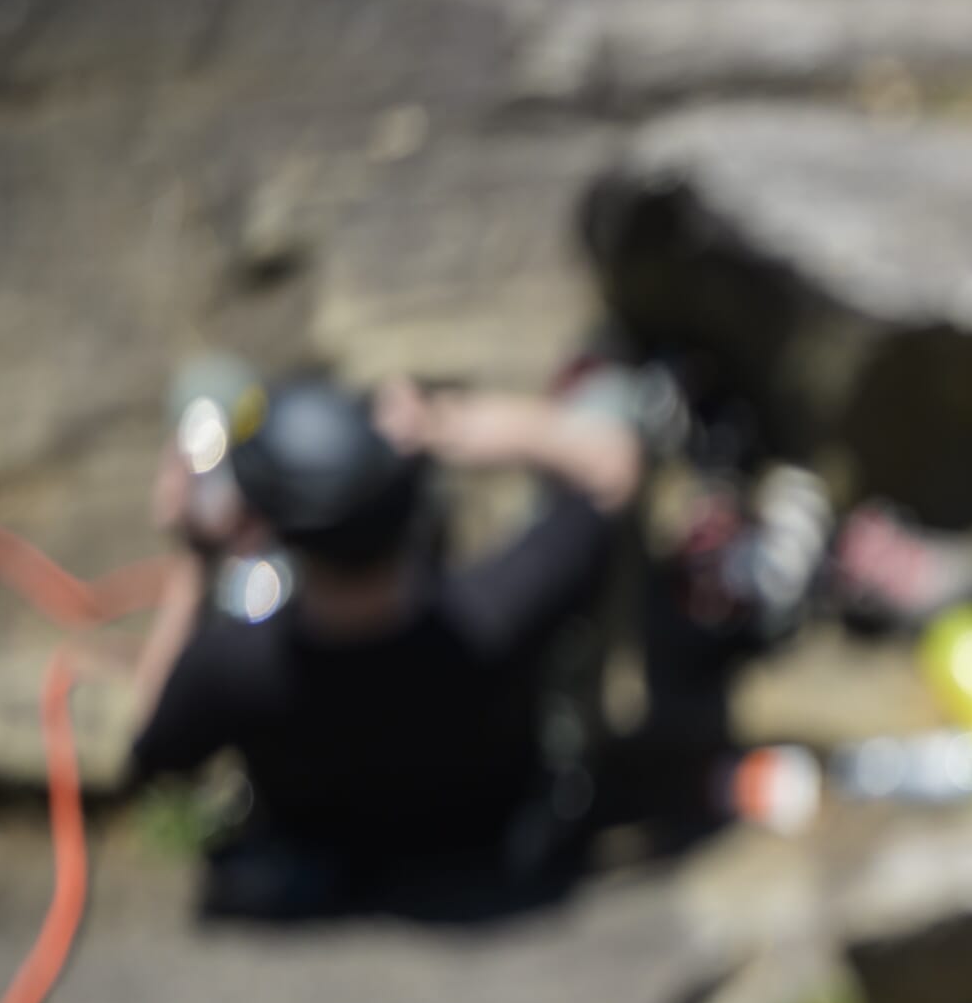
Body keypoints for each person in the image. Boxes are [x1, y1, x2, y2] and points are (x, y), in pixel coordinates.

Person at [124, 371, 643, 921]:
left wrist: (191, 566)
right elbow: (614, 467)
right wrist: (442, 426)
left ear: (275, 527)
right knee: (609, 401)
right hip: (487, 833)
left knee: (209, 386)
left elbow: (149, 747)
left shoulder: (234, 666)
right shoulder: (495, 613)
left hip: (331, 852)